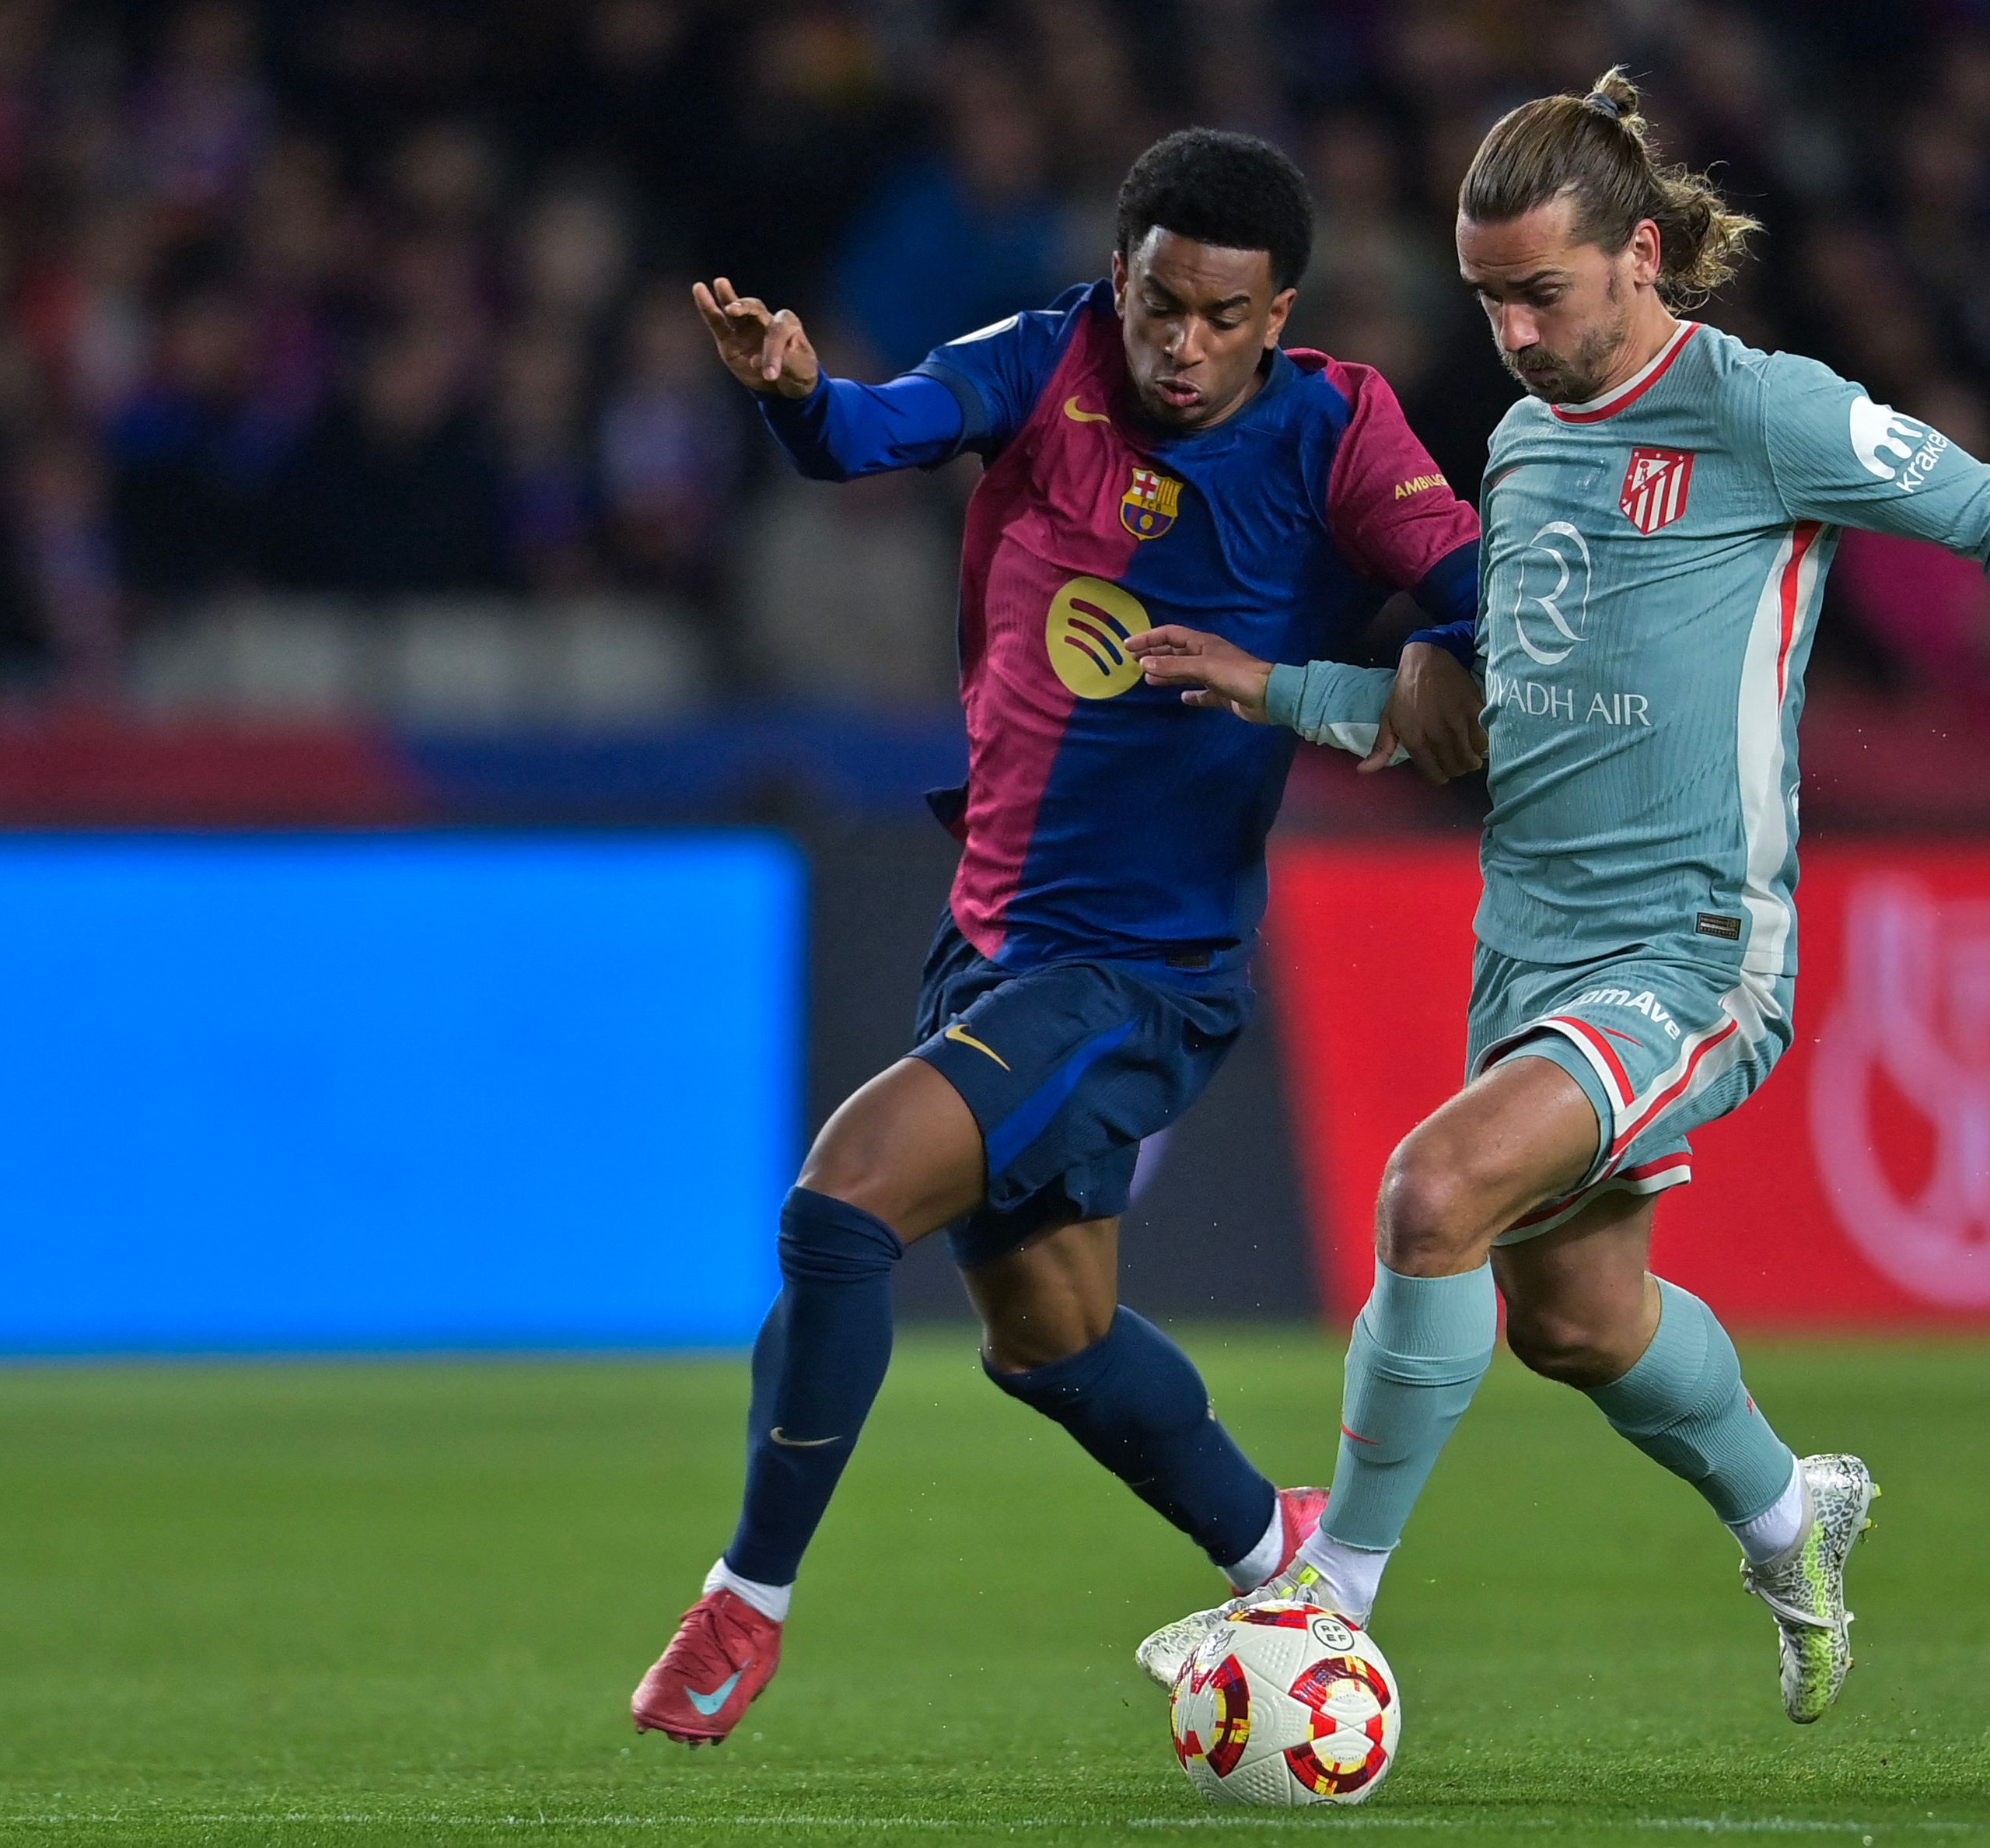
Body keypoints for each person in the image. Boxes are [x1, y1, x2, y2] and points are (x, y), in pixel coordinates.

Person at [1128, 72, 1990, 1724]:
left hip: (1691, 947)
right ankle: (1792, 1511)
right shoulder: (1519, 450)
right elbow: (1464, 724)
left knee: (1428, 1196)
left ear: (1638, 256)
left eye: (1538, 293)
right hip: (1526, 948)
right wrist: (1270, 688)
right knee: (1574, 1314)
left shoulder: (1759, 411)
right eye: (1485, 300)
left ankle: (1325, 1594)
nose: (1511, 332)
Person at [631, 128, 1486, 1745]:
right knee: (1051, 1336)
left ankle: (744, 1604)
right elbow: (868, 435)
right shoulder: (1050, 361)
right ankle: (1277, 1548)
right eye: (1159, 303)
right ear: (1120, 279)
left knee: (840, 1196)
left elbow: (1472, 573)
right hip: (992, 943)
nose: (1180, 344)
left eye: (1220, 317)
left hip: (1141, 974)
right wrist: (795, 388)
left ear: (1276, 311)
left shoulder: (1335, 429)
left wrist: (1439, 653)